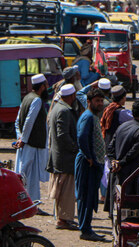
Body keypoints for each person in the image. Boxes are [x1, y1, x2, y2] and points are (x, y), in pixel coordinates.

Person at [14, 74, 51, 214]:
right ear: (42, 86)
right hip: (31, 144)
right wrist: (23, 140)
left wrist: (20, 138)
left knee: (25, 174)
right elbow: (29, 121)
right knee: (30, 175)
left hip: (26, 143)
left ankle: (28, 203)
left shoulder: (27, 98)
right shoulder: (36, 101)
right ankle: (32, 204)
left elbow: (18, 121)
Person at [75, 88, 107, 242]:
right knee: (86, 197)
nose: (100, 104)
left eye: (101, 101)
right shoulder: (87, 117)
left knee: (89, 196)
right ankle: (85, 229)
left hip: (93, 162)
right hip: (88, 163)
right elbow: (81, 137)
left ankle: (86, 228)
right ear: (89, 102)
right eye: (97, 101)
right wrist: (89, 157)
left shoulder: (92, 116)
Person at [46, 84, 80, 230]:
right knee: (66, 190)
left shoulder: (57, 108)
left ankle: (63, 218)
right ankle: (63, 219)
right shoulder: (64, 111)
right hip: (65, 158)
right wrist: (75, 148)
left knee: (62, 190)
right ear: (72, 96)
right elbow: (63, 135)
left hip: (60, 156)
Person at [101, 85, 134, 210]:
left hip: (107, 146)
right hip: (115, 149)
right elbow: (136, 119)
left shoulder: (108, 109)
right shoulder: (121, 112)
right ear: (123, 98)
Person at [108, 100, 139, 197]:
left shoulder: (122, 126)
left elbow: (110, 147)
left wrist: (113, 161)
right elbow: (133, 152)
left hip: (117, 172)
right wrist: (121, 163)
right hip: (131, 175)